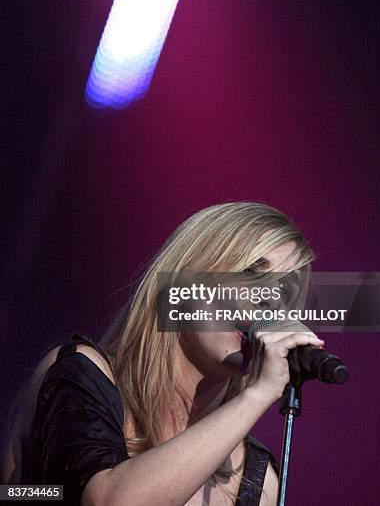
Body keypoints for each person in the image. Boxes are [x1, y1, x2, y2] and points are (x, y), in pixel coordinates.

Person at [1, 202, 323, 505]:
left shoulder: (256, 480)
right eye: (253, 273)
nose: (269, 302)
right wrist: (257, 395)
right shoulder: (81, 376)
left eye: (283, 294)